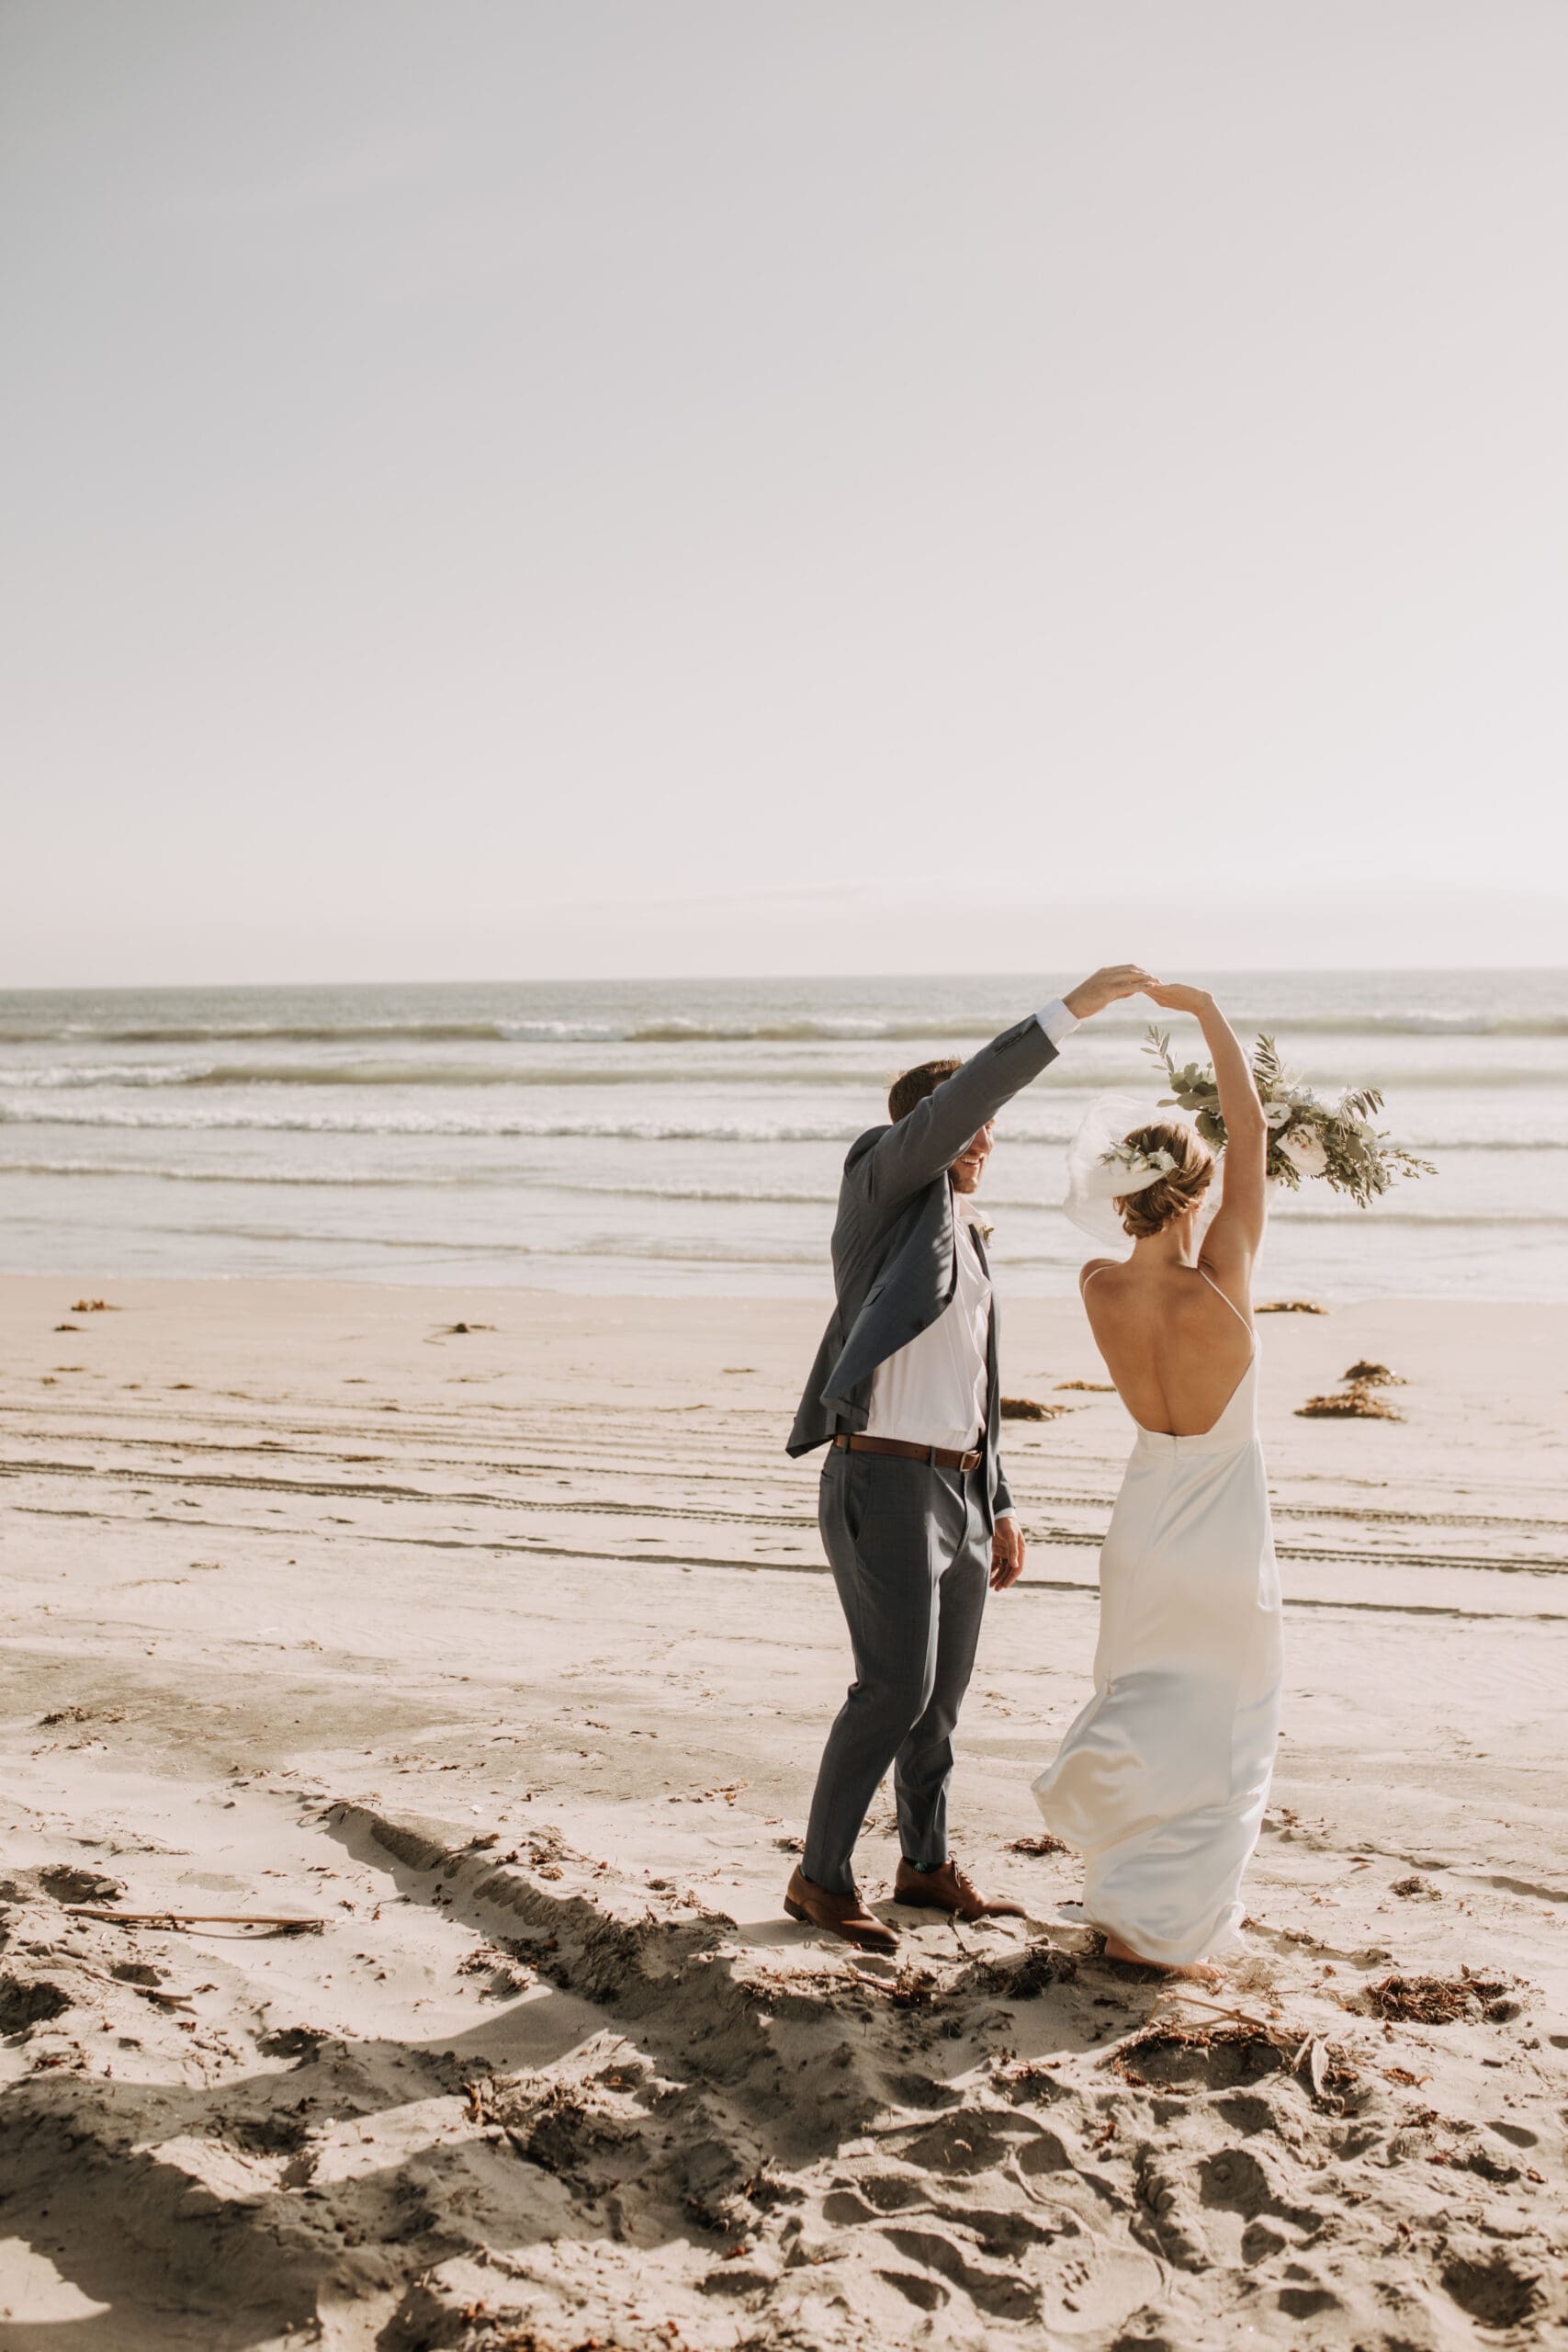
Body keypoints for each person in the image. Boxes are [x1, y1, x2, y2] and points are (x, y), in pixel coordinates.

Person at [783, 965, 1159, 1952]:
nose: (987, 1140)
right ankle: (818, 1876)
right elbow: (967, 1099)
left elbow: (979, 1390)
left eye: (988, 1132)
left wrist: (1001, 1500)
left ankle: (922, 1862)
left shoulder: (972, 1238)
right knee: (891, 1688)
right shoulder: (880, 1183)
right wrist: (1067, 1012)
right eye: (970, 1128)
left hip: (955, 1487)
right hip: (883, 1476)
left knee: (939, 1702)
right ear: (929, 1135)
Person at [1032, 982, 1281, 1979]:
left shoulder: (1097, 1285)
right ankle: (1174, 1928)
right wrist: (1208, 1009)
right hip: (1222, 1523)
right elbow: (1253, 1125)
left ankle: (1126, 1902)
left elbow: (1237, 1144)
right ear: (1195, 1187)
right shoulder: (1219, 1273)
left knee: (1141, 1699)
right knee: (1230, 1722)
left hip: (1144, 1524)